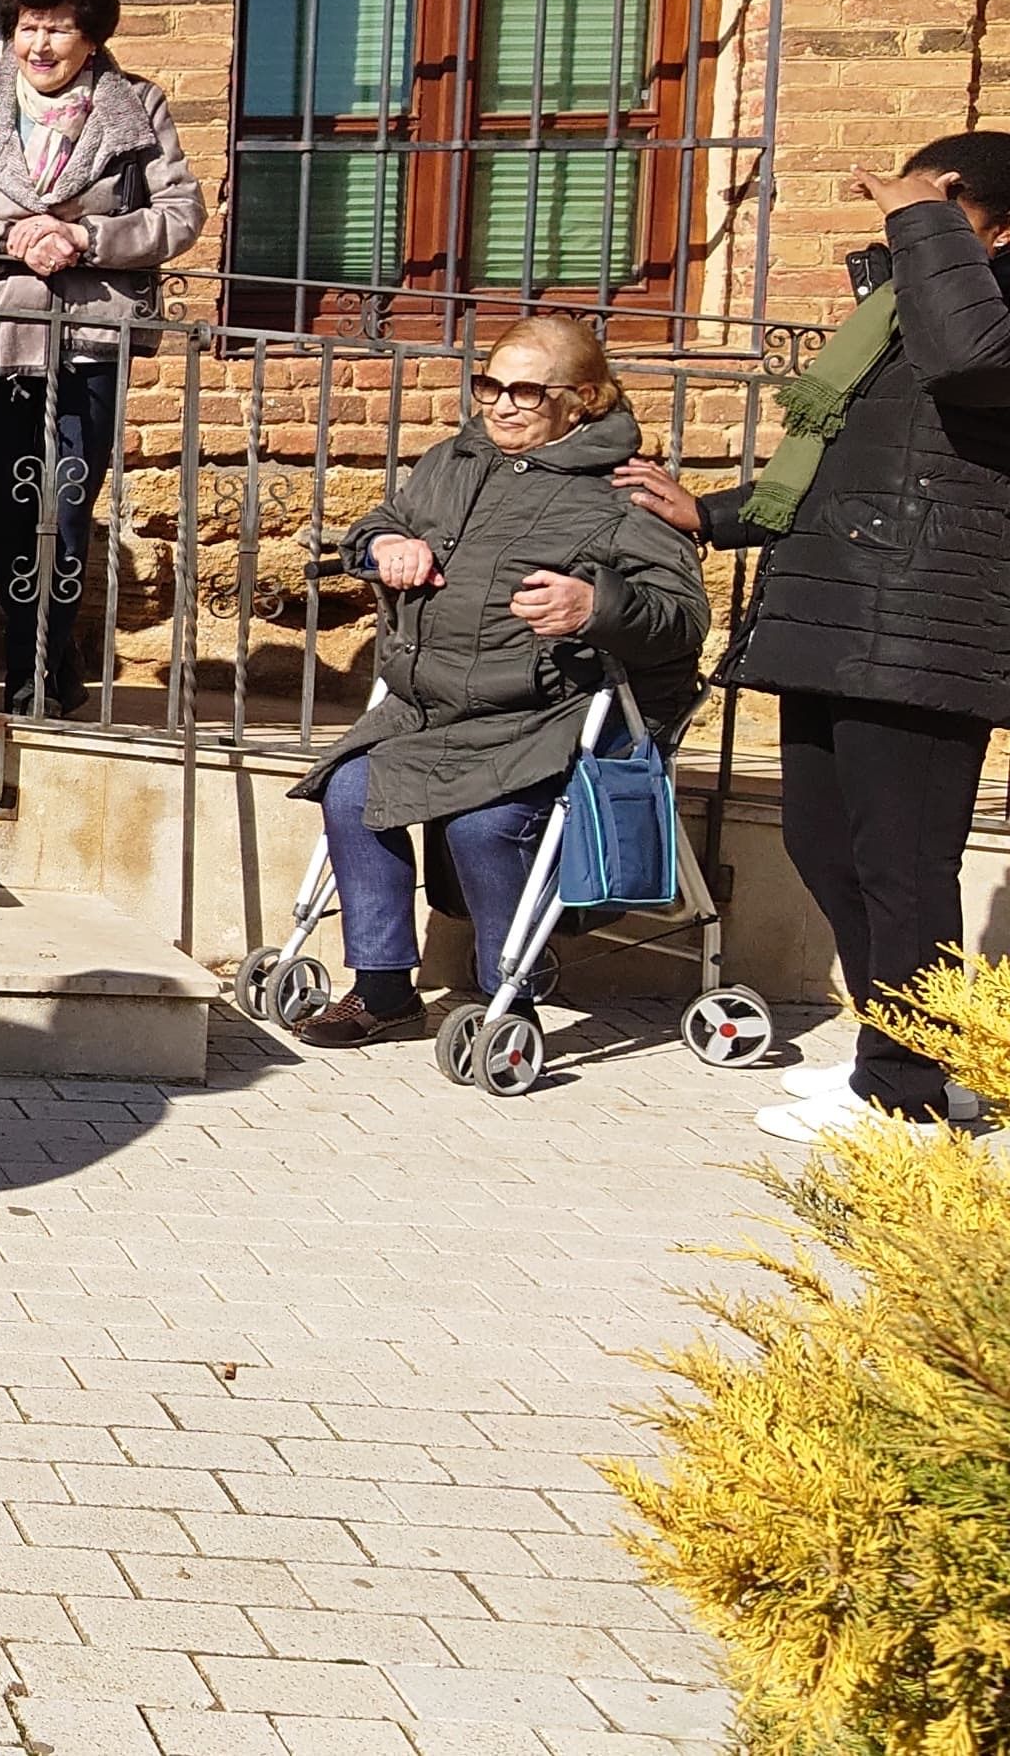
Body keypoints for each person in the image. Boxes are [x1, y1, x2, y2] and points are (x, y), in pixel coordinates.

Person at [616, 135, 1010, 1140]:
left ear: (966, 203)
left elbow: (973, 360)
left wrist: (920, 216)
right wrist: (710, 514)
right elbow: (840, 473)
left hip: (926, 632)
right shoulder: (903, 315)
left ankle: (906, 1093)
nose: (894, 222)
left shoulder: (987, 310)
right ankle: (901, 1057)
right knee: (822, 839)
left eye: (923, 207)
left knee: (902, 860)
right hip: (843, 614)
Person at [282, 316, 708, 1049]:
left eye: (526, 393)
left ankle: (511, 993)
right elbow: (377, 524)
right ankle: (382, 990)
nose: (503, 405)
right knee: (351, 790)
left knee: (484, 826)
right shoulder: (455, 460)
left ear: (582, 402)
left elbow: (683, 617)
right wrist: (388, 546)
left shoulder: (622, 493)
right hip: (430, 702)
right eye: (490, 386)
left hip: (544, 714)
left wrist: (595, 605)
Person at [0, 0, 206, 717]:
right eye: (29, 28)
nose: (41, 45)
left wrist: (87, 240)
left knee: (67, 503)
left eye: (60, 29)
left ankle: (37, 668)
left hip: (88, 336)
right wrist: (19, 235)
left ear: (91, 36)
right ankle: (38, 647)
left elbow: (180, 215)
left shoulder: (137, 108)